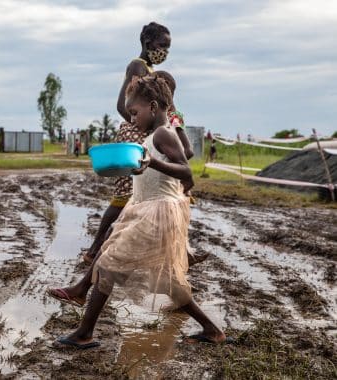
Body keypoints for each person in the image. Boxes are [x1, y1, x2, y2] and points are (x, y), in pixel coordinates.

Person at [50, 75, 229, 349]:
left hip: (158, 211)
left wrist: (152, 164)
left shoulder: (163, 133)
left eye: (135, 112)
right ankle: (211, 329)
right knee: (165, 278)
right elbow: (152, 169)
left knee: (109, 264)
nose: (132, 119)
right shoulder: (150, 137)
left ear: (154, 107)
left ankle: (84, 333)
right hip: (145, 206)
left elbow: (185, 170)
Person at [82, 22, 172, 263]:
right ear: (147, 43)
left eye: (168, 48)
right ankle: (96, 251)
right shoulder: (138, 66)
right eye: (162, 45)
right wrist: (143, 128)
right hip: (135, 135)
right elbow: (124, 106)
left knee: (138, 196)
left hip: (142, 134)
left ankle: (102, 251)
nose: (165, 51)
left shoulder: (150, 71)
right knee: (126, 196)